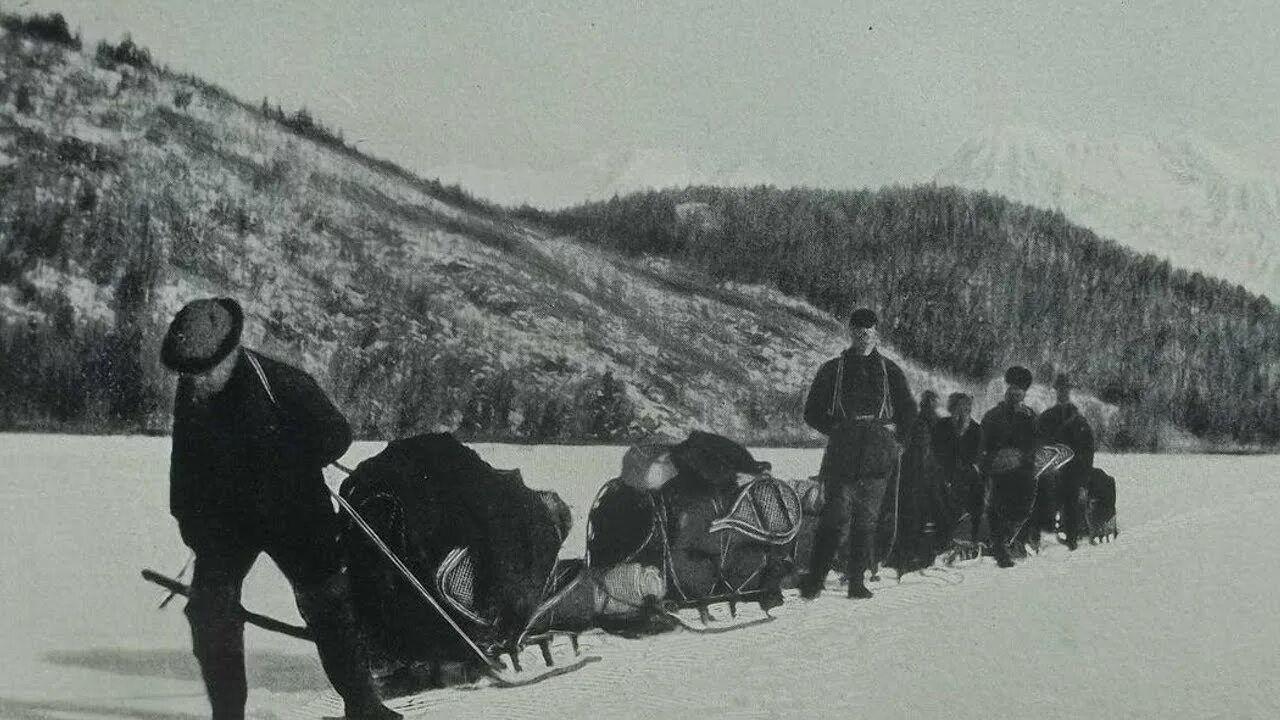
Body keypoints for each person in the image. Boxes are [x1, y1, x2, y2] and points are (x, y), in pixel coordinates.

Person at [162, 298, 398, 720]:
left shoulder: (281, 382)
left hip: (297, 514)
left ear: (231, 353)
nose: (195, 381)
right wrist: (194, 526)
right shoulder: (194, 390)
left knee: (328, 607)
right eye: (188, 372)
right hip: (230, 522)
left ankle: (366, 709)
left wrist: (285, 458)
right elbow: (185, 470)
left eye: (204, 371)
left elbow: (337, 434)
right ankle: (228, 714)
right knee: (209, 610)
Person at [800, 308, 916, 599]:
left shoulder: (890, 371)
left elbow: (909, 413)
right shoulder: (832, 370)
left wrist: (896, 441)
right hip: (843, 455)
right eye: (858, 332)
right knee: (834, 517)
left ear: (876, 334)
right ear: (849, 333)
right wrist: (838, 430)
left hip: (877, 457)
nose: (863, 337)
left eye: (868, 332)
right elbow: (812, 412)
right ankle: (815, 580)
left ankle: (856, 582)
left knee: (867, 521)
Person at [979, 366, 1039, 568]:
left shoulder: (1030, 418)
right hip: (997, 470)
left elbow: (1035, 447)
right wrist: (995, 460)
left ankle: (1017, 540)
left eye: (1020, 390)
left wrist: (1019, 458)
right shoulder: (992, 416)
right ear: (1007, 390)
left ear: (1024, 394)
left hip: (1022, 470)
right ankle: (1000, 546)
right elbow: (982, 449)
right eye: (1012, 388)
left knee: (1028, 490)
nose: (1015, 393)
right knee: (998, 498)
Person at [1036, 373, 1096, 550]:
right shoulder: (1047, 417)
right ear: (1056, 391)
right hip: (1050, 467)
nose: (1062, 393)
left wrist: (1083, 479)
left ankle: (1071, 537)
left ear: (1069, 391)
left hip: (1071, 470)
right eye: (1060, 389)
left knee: (1070, 495)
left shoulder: (1078, 420)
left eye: (1065, 389)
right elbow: (1039, 444)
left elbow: (1086, 452)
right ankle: (1036, 535)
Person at [932, 392, 985, 544]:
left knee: (977, 489)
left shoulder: (976, 429)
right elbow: (935, 451)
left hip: (966, 472)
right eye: (959, 409)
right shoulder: (941, 426)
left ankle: (973, 535)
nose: (962, 414)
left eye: (967, 410)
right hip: (943, 470)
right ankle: (942, 535)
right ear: (951, 409)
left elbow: (976, 457)